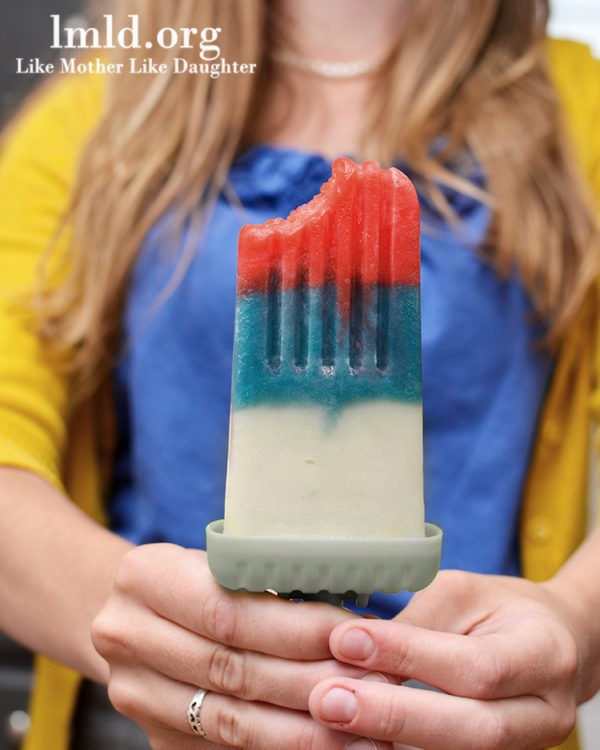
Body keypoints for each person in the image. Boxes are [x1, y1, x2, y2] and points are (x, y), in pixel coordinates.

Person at [1, 1, 599, 748]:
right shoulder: (108, 98)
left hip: (463, 722)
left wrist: (578, 614)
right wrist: (164, 640)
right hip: (151, 728)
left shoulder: (577, 106)